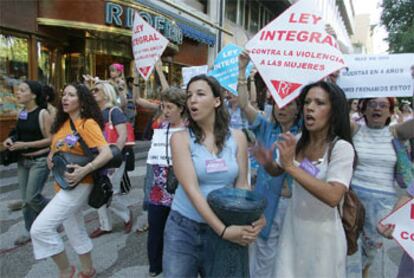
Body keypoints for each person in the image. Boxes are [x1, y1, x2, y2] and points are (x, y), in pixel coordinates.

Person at [163, 74, 266, 277]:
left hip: (225, 224)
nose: (192, 99)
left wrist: (252, 218)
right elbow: (192, 191)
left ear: (217, 101)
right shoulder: (180, 138)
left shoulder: (237, 137)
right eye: (189, 95)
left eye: (200, 94)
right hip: (184, 228)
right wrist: (223, 231)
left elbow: (242, 185)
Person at [256, 81, 355, 277]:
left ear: (334, 110)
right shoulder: (298, 140)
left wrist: (291, 167)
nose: (310, 108)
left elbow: (333, 195)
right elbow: (278, 170)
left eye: (319, 103)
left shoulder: (342, 148)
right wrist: (268, 162)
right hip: (292, 230)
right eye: (307, 102)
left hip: (323, 238)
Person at [30, 83, 112, 278]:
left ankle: (66, 271)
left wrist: (86, 169)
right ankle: (87, 270)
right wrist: (51, 156)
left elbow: (106, 152)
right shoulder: (62, 123)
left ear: (82, 102)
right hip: (63, 183)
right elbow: (56, 146)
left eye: (71, 95)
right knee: (74, 228)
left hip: (80, 184)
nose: (65, 98)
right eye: (64, 94)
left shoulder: (87, 123)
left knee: (39, 229)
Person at [237, 52, 301, 277]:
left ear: (298, 108)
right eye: (277, 102)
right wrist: (243, 70)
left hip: (290, 206)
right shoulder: (266, 127)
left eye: (289, 103)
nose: (281, 107)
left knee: (284, 256)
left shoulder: (304, 135)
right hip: (264, 200)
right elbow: (244, 104)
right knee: (262, 252)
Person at [348, 97, 411, 277]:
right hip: (354, 200)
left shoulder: (395, 132)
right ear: (364, 109)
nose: (377, 109)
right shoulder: (355, 129)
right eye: (372, 104)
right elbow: (336, 113)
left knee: (369, 255)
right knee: (350, 253)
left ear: (391, 112)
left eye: (383, 105)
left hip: (382, 205)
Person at [2, 80, 52, 246]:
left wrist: (26, 145)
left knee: (32, 198)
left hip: (39, 160)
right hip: (23, 161)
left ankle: (54, 212)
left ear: (34, 95)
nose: (18, 92)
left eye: (23, 90)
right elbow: (18, 133)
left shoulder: (43, 113)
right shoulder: (21, 112)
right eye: (18, 90)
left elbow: (51, 139)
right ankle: (30, 231)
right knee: (25, 201)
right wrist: (11, 139)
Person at [146, 87, 187, 277]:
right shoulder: (161, 126)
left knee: (177, 233)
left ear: (181, 108)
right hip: (158, 189)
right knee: (155, 229)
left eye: (170, 107)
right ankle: (155, 266)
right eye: (163, 106)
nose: (166, 111)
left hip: (180, 189)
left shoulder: (189, 130)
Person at [89, 81, 133, 238]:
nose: (93, 92)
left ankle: (126, 215)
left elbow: (123, 135)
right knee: (98, 190)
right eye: (92, 90)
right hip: (97, 157)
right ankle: (104, 225)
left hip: (112, 159)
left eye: (97, 90)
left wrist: (114, 156)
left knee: (109, 191)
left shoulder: (114, 112)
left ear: (107, 93)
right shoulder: (94, 113)